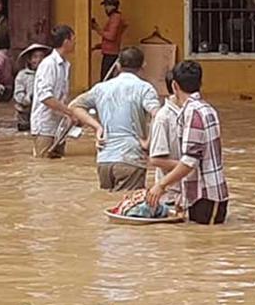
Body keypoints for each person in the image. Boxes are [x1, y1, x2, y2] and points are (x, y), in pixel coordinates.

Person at [147, 61, 229, 224]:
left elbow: (190, 161)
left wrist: (161, 185)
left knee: (201, 245)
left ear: (175, 86)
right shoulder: (207, 109)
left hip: (204, 197)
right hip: (209, 194)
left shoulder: (192, 114)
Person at [69, 46, 160, 191]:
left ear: (117, 66)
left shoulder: (101, 88)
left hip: (104, 160)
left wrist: (97, 127)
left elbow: (74, 106)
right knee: (128, 209)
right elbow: (158, 115)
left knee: (107, 205)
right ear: (143, 66)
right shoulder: (145, 88)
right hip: (130, 158)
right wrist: (148, 142)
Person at [31, 24, 77, 158]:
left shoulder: (65, 65)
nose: (75, 43)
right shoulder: (48, 64)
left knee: (57, 164)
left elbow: (62, 96)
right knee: (44, 162)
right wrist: (69, 112)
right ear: (66, 41)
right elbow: (45, 97)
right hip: (45, 125)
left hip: (59, 124)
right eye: (73, 39)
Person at [148, 69, 183, 206]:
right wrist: (188, 166)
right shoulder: (163, 117)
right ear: (175, 87)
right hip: (171, 196)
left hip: (191, 194)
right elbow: (156, 159)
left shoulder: (195, 113)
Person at [13, 43, 51, 132]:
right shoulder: (22, 75)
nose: (38, 60)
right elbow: (18, 94)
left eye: (41, 57)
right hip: (25, 114)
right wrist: (28, 99)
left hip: (43, 114)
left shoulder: (49, 74)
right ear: (29, 60)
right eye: (35, 57)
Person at [91, 0, 128, 82]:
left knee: (106, 79)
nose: (105, 9)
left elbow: (111, 36)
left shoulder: (115, 18)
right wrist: (100, 46)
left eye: (106, 6)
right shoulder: (115, 17)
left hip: (111, 54)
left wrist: (97, 29)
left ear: (112, 6)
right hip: (110, 52)